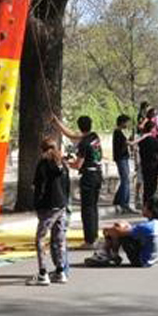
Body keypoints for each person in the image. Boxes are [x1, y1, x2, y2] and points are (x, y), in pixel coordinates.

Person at [53, 114, 104, 257]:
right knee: (93, 208)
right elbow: (71, 134)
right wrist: (57, 122)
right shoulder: (94, 137)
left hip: (88, 176)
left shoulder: (83, 143)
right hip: (98, 175)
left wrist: (64, 162)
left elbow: (78, 164)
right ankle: (94, 237)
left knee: (87, 209)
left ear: (80, 126)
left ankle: (89, 241)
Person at [29, 137, 70, 286]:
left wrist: (37, 204)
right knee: (59, 239)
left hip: (47, 206)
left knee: (40, 239)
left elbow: (38, 186)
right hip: (61, 205)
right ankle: (60, 270)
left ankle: (43, 272)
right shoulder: (62, 164)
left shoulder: (43, 164)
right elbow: (67, 186)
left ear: (42, 149)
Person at [86, 196, 158, 267]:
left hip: (141, 261)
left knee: (118, 231)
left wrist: (107, 230)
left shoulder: (149, 227)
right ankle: (110, 254)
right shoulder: (157, 225)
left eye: (145, 206)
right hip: (150, 260)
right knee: (122, 225)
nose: (143, 208)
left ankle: (107, 254)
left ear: (150, 211)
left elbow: (120, 232)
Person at [111, 115, 135, 214]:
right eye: (126, 122)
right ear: (122, 122)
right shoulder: (117, 133)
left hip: (123, 158)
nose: (127, 125)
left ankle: (118, 200)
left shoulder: (119, 133)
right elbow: (126, 144)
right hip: (121, 158)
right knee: (125, 181)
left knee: (125, 180)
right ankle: (124, 203)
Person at [136, 120, 158, 206]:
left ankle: (145, 204)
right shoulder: (154, 140)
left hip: (144, 164)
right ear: (152, 129)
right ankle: (151, 204)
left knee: (146, 185)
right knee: (152, 186)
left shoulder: (142, 140)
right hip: (153, 165)